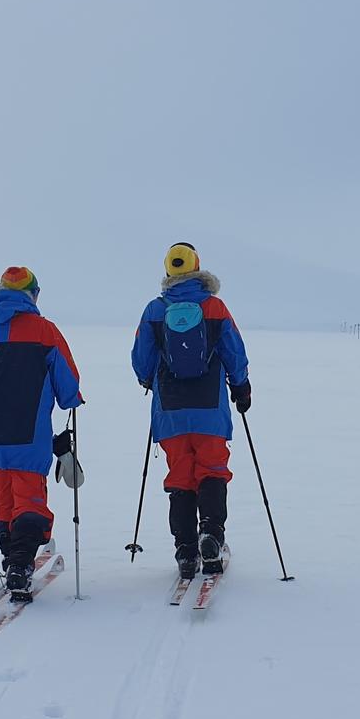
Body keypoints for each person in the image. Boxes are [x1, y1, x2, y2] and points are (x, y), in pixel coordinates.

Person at [0, 266, 83, 598]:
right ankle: (20, 565)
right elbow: (68, 383)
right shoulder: (45, 332)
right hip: (29, 434)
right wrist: (71, 401)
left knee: (5, 503)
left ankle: (13, 558)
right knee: (30, 501)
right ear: (33, 295)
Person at [132, 243, 251, 580]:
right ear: (198, 269)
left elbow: (141, 358)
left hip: (170, 411)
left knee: (180, 478)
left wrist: (149, 381)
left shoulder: (155, 310)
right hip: (210, 410)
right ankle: (210, 536)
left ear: (169, 272)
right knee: (212, 470)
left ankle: (185, 552)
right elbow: (234, 352)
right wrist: (241, 388)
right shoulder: (214, 307)